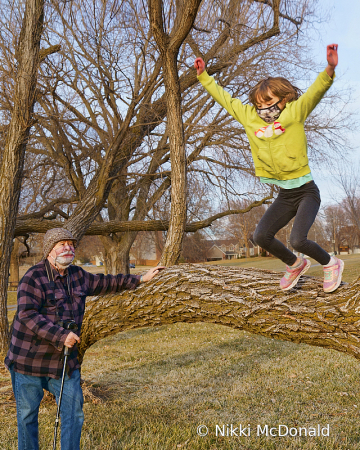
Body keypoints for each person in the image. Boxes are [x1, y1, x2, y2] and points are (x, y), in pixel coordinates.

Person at [194, 44, 343, 293]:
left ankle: (331, 263)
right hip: (285, 194)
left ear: (284, 101)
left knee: (298, 239)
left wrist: (329, 68)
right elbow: (226, 99)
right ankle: (295, 264)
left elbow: (314, 93)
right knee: (260, 236)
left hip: (306, 191)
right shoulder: (250, 118)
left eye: (270, 103)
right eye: (259, 104)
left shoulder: (295, 113)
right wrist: (204, 77)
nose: (264, 109)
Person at [5, 228, 165, 450]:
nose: (68, 248)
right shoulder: (33, 277)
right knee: (27, 417)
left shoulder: (78, 276)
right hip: (28, 360)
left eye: (71, 244)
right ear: (49, 250)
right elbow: (27, 315)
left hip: (64, 361)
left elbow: (107, 282)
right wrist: (61, 335)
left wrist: (139, 278)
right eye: (62, 244)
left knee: (73, 412)